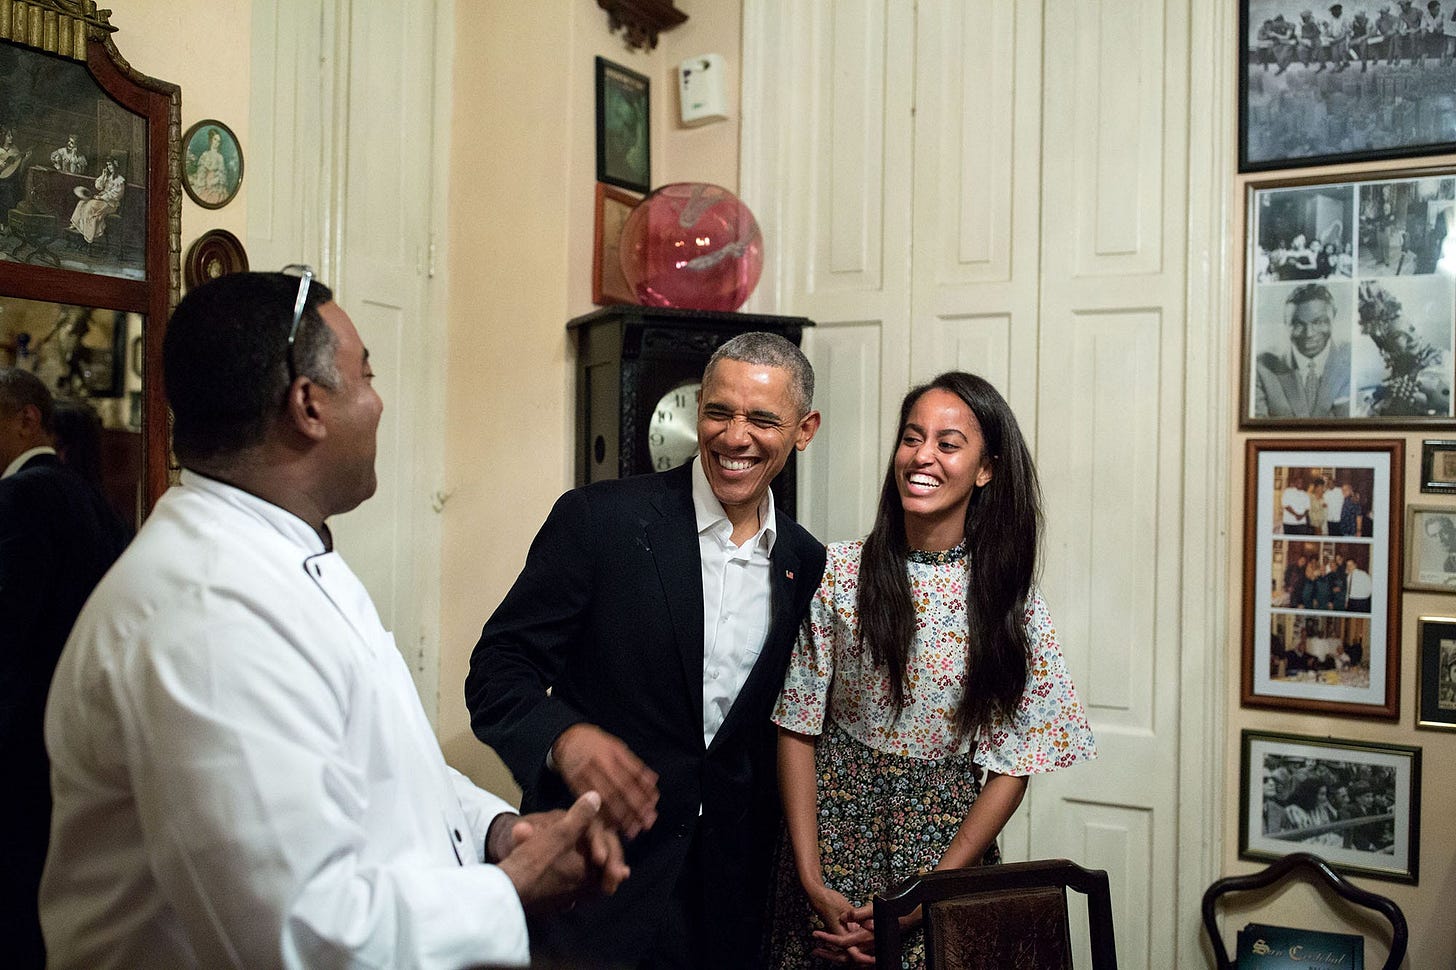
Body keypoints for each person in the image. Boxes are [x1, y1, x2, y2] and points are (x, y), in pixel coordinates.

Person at [40, 271, 627, 970]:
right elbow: (303, 936)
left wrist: (498, 831)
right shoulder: (208, 613)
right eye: (366, 375)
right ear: (308, 405)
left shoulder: (282, 554)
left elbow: (386, 770)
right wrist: (512, 890)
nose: (379, 402)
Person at [466, 332, 826, 969]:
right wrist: (564, 738)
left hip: (727, 912)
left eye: (762, 420)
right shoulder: (599, 521)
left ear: (804, 430)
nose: (734, 436)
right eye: (718, 412)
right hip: (592, 890)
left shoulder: (808, 562)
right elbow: (497, 672)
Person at [765, 373, 1096, 969]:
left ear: (986, 468)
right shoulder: (841, 572)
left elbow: (1012, 767)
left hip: (944, 859)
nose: (922, 456)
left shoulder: (1009, 603)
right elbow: (797, 726)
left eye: (948, 444)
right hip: (829, 845)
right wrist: (811, 878)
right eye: (912, 438)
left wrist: (925, 895)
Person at [0, 368, 130, 970]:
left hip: (22, 739)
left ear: (28, 419)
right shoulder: (89, 495)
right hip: (79, 730)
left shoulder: (22, 497)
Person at [1254, 283, 1352, 418]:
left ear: (1333, 317)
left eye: (1318, 322)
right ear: (1285, 323)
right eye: (1298, 324)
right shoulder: (1261, 367)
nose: (1309, 334)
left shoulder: (1352, 358)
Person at [68, 156, 125, 245]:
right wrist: (103, 175)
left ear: (115, 165)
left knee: (91, 205)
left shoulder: (120, 180)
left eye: (110, 165)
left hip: (110, 204)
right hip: (102, 200)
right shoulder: (108, 176)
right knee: (82, 202)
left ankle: (88, 232)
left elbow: (116, 195)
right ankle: (77, 224)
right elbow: (98, 187)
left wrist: (101, 197)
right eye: (108, 165)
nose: (109, 167)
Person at [190, 127, 230, 206]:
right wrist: (204, 182)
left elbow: (222, 175)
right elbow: (201, 172)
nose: (216, 142)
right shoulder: (205, 155)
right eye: (215, 139)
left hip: (215, 185)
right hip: (204, 183)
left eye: (218, 141)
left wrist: (215, 180)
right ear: (211, 139)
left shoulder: (220, 157)